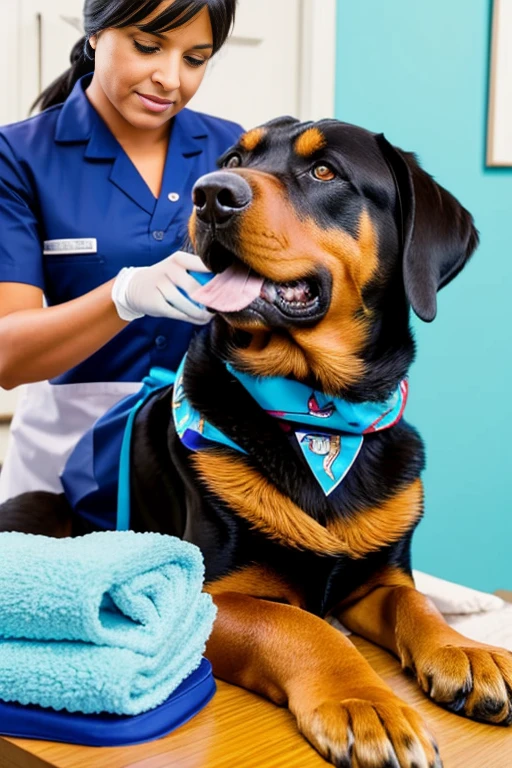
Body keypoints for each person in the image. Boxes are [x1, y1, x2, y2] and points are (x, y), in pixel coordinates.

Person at [0, 0, 242, 502]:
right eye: (148, 46)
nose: (170, 78)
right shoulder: (19, 157)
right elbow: (8, 356)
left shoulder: (234, 152)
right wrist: (123, 296)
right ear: (95, 34)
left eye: (195, 59)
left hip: (204, 460)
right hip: (62, 469)